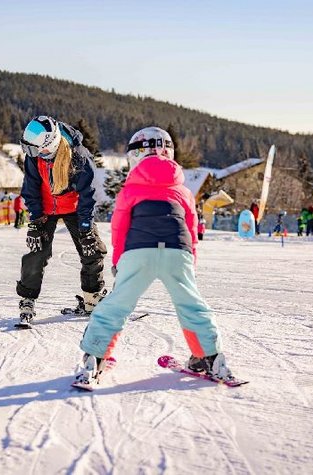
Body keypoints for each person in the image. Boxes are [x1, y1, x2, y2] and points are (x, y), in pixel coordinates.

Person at [73, 126, 238, 386]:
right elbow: (192, 228)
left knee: (117, 305)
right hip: (177, 251)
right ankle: (210, 357)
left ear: (136, 156)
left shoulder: (130, 189)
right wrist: (189, 259)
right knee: (191, 304)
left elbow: (119, 228)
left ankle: (95, 356)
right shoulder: (183, 191)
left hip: (139, 251)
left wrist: (118, 261)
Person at [16, 115, 107, 326]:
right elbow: (30, 189)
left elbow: (87, 195)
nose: (31, 154)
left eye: (35, 150)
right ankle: (27, 299)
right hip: (46, 209)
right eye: (28, 149)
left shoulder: (79, 157)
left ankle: (92, 299)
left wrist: (85, 228)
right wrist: (36, 222)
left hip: (75, 208)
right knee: (37, 252)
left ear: (51, 144)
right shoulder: (35, 155)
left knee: (91, 248)